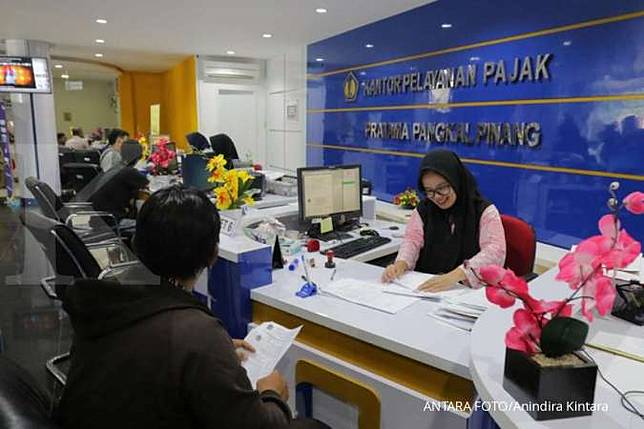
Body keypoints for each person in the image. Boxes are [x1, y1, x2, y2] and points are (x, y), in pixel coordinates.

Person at [56, 186, 308, 428]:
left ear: (135, 243)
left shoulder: (104, 300)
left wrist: (212, 353)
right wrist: (272, 395)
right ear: (213, 255)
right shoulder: (196, 333)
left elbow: (148, 349)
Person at [382, 149, 506, 292]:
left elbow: (495, 252)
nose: (437, 197)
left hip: (467, 292)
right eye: (430, 191)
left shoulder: (484, 211)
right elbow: (412, 241)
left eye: (442, 188)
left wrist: (456, 275)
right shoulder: (424, 209)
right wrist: (401, 264)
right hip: (426, 288)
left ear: (455, 180)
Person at [89, 140, 148, 230]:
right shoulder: (130, 172)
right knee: (149, 225)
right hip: (113, 221)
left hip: (97, 220)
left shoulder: (115, 168)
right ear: (139, 156)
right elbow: (150, 190)